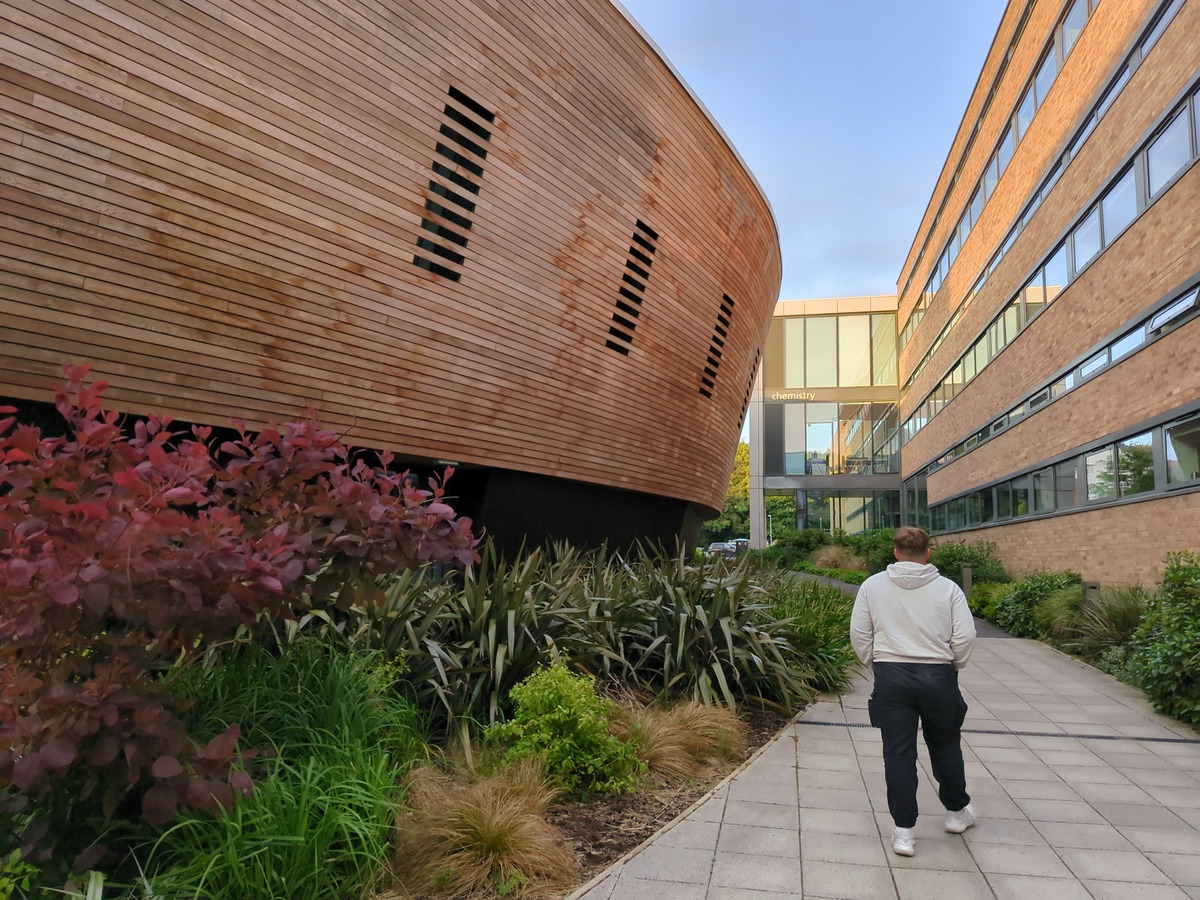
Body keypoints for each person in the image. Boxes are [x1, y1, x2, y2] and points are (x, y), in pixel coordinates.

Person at [850, 526, 977, 857]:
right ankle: (955, 813)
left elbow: (859, 634)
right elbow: (964, 637)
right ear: (928, 552)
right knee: (946, 746)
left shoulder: (872, 587)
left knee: (898, 753)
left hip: (892, 677)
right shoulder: (948, 589)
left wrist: (877, 664)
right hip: (938, 675)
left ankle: (904, 832)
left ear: (895, 552)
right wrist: (952, 665)